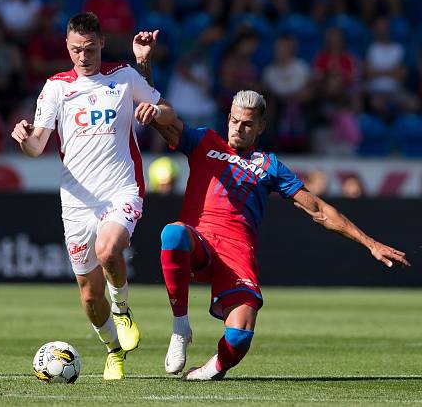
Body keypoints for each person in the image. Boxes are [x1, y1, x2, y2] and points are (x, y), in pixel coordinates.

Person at [135, 89, 410, 380]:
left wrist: (370, 243)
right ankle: (180, 328)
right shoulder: (203, 140)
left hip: (237, 253)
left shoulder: (270, 166)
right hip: (200, 239)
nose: (239, 128)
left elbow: (317, 209)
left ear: (260, 127)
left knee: (240, 337)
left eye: (247, 124)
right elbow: (156, 115)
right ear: (228, 118)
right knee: (173, 234)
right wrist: (145, 64)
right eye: (235, 121)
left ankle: (210, 370)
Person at [10, 12, 176, 380]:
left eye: (88, 48)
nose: (82, 57)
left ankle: (123, 310)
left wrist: (155, 108)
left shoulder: (124, 76)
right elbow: (37, 146)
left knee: (108, 249)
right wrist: (24, 140)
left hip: (121, 189)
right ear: (67, 48)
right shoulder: (56, 87)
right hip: (76, 203)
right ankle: (113, 350)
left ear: (101, 42)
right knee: (88, 295)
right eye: (74, 50)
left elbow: (166, 111)